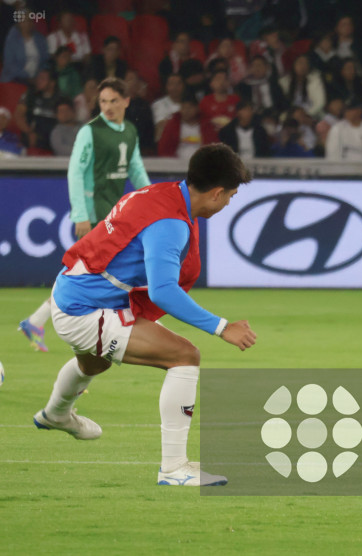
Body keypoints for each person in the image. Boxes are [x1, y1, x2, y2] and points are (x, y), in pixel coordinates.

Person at [33, 143, 256, 487]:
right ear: (215, 193)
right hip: (85, 309)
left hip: (73, 291)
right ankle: (174, 468)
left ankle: (55, 414)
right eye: (230, 195)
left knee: (95, 362)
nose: (228, 203)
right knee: (185, 356)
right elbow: (163, 291)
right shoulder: (171, 224)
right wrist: (222, 327)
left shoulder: (160, 194)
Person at [19, 77, 151, 352]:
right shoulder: (90, 132)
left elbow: (136, 170)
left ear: (126, 101)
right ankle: (83, 343)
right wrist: (80, 213)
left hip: (114, 213)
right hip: (93, 214)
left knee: (84, 275)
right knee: (86, 276)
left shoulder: (130, 131)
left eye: (114, 100)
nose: (108, 106)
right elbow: (75, 172)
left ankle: (36, 322)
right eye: (103, 101)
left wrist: (154, 201)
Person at [158, 94, 218, 159]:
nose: (186, 111)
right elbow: (164, 148)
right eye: (183, 107)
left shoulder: (207, 125)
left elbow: (213, 148)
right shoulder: (172, 125)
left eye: (190, 107)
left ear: (197, 108)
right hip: (175, 164)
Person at [0, 9, 49, 84]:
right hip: (16, 78)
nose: (27, 23)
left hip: (37, 78)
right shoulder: (12, 40)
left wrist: (39, 75)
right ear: (19, 23)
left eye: (29, 20)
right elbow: (9, 65)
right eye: (24, 21)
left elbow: (45, 60)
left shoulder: (40, 39)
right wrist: (27, 77)